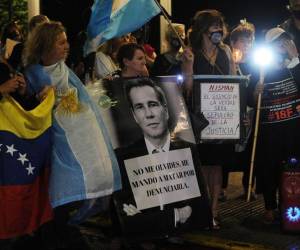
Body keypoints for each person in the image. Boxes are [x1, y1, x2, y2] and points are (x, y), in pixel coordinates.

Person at [22, 21, 121, 248]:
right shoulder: (33, 74)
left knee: (91, 185)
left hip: (82, 139)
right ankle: (60, 231)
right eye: (61, 42)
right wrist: (31, 94)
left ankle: (64, 228)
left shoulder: (66, 71)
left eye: (66, 41)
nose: (67, 46)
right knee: (63, 191)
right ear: (46, 45)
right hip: (56, 145)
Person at [112, 78, 211, 247]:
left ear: (165, 110)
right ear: (135, 116)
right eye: (140, 107)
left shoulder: (187, 151)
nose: (148, 114)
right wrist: (178, 214)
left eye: (153, 104)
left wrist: (147, 219)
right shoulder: (123, 157)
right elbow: (128, 221)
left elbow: (199, 213)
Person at [181, 9, 236, 229]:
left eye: (221, 26)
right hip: (200, 119)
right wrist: (187, 66)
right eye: (215, 26)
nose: (220, 30)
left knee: (217, 166)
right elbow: (186, 89)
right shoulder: (191, 52)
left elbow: (234, 83)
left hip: (222, 119)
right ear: (204, 30)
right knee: (202, 166)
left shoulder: (226, 51)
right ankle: (201, 210)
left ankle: (214, 211)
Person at [250, 27, 300, 224]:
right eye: (278, 41)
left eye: (285, 40)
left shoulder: (295, 64)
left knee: (294, 168)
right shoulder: (262, 68)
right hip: (270, 129)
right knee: (269, 167)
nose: (283, 45)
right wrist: (256, 91)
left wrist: (295, 57)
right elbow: (251, 100)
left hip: (294, 130)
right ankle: (270, 207)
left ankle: (291, 205)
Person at [220, 20, 258, 201]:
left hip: (250, 116)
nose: (248, 45)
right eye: (244, 41)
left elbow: (256, 96)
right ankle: (221, 188)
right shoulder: (225, 64)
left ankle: (248, 185)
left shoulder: (257, 67)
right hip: (228, 115)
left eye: (250, 42)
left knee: (251, 152)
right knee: (226, 152)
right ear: (233, 43)